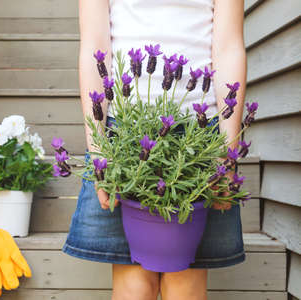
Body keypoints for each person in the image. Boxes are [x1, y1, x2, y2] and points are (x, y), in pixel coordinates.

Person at [62, 1, 247, 299]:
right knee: (134, 286)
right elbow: (94, 45)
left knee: (184, 286)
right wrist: (98, 149)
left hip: (199, 138)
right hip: (125, 132)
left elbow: (229, 48)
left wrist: (227, 156)